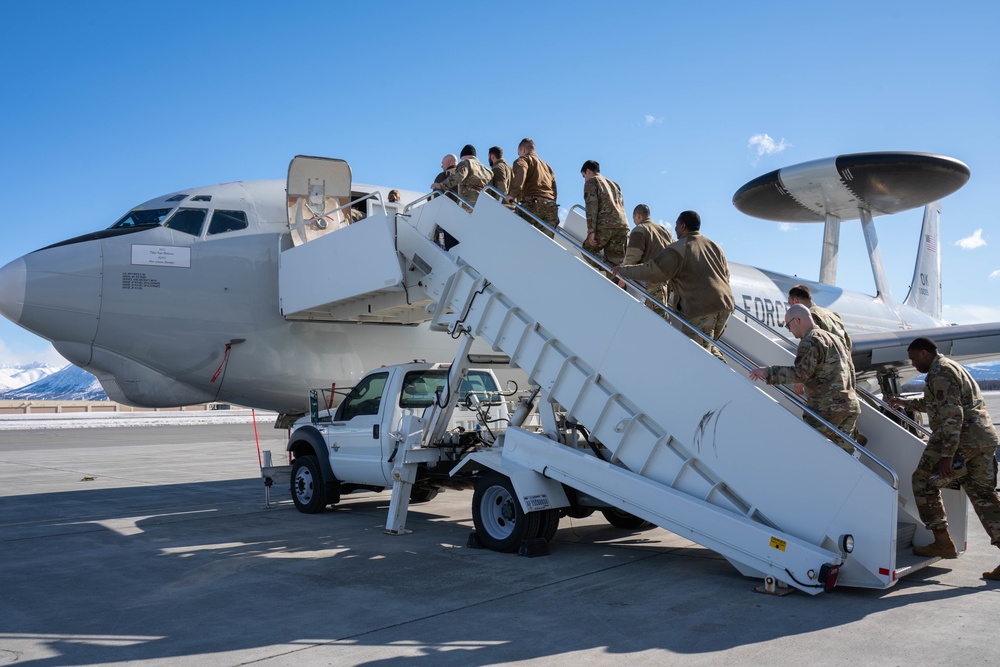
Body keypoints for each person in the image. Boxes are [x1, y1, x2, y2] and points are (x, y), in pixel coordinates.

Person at [887, 337, 1000, 577]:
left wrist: (948, 455)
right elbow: (936, 402)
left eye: (913, 358)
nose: (913, 363)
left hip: (962, 441)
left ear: (924, 353)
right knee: (985, 497)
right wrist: (905, 403)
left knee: (922, 482)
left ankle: (942, 540)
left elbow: (952, 415)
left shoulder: (940, 372)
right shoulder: (950, 367)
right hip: (982, 439)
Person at [614, 210, 733, 359]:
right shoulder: (715, 247)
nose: (675, 228)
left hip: (701, 308)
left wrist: (624, 271)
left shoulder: (680, 248)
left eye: (676, 225)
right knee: (708, 349)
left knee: (696, 356)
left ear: (683, 226)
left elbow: (653, 271)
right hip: (725, 306)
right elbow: (726, 276)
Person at [749, 304, 860, 454]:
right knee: (844, 458)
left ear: (797, 320)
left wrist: (767, 372)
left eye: (788, 326)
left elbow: (800, 374)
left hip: (827, 409)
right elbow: (851, 370)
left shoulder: (811, 339)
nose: (789, 330)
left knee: (811, 453)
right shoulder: (835, 338)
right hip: (849, 406)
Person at [620, 204, 674, 312]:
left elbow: (632, 257)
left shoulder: (639, 229)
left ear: (638, 216)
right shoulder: (665, 232)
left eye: (634, 218)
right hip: (666, 283)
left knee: (655, 315)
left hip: (652, 282)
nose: (634, 221)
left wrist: (622, 277)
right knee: (661, 316)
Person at [504, 138, 558, 237]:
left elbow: (521, 173)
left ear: (523, 149)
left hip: (533, 204)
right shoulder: (548, 167)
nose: (518, 155)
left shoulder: (523, 160)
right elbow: (554, 188)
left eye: (518, 152)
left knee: (515, 233)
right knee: (545, 241)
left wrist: (512, 194)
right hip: (551, 207)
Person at [580, 160, 629, 267]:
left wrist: (591, 231)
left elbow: (591, 207)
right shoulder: (615, 185)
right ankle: (615, 274)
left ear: (588, 171)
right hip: (622, 226)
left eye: (584, 176)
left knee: (587, 249)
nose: (584, 179)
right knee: (616, 263)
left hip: (606, 225)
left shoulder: (591, 182)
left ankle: (608, 268)